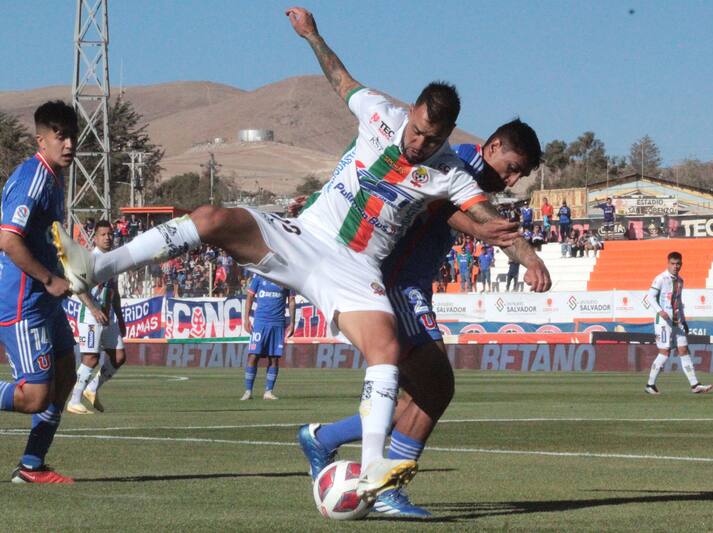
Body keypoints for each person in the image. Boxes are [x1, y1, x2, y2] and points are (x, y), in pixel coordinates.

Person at [53, 7, 551, 503]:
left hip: (356, 268)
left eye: (433, 139)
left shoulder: (450, 171)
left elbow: (485, 215)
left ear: (448, 137)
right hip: (303, 235)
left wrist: (527, 255)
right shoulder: (379, 111)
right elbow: (339, 78)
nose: (420, 143)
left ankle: (373, 465)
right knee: (211, 219)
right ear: (413, 111)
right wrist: (312, 34)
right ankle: (97, 265)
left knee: (385, 352)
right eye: (418, 130)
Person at [297, 119, 541, 517]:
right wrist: (509, 247)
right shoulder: (457, 161)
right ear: (493, 146)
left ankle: (322, 439)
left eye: (521, 175)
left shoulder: (471, 178)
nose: (512, 180)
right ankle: (387, 488)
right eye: (512, 167)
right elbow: (443, 207)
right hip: (396, 284)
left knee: (411, 400)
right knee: (438, 387)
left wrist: (521, 253)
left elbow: (475, 218)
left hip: (409, 283)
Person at [0, 101, 77, 483]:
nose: (68, 145)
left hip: (45, 300)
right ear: (41, 139)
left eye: (71, 136)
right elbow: (9, 241)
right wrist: (49, 279)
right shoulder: (33, 178)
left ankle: (31, 466)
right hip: (23, 301)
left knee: (66, 375)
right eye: (60, 136)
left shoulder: (55, 178)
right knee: (34, 397)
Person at [67, 220, 127, 414]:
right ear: (95, 238)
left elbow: (114, 291)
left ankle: (91, 389)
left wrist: (120, 316)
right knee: (91, 358)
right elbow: (79, 287)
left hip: (108, 316)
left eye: (110, 234)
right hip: (90, 316)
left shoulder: (114, 260)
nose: (108, 238)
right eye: (103, 234)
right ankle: (74, 400)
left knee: (118, 357)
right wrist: (93, 308)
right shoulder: (89, 260)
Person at [644, 252, 713, 395]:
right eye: (673, 264)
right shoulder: (661, 279)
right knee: (665, 352)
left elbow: (678, 302)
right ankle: (650, 385)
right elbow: (650, 297)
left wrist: (684, 320)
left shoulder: (680, 280)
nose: (676, 267)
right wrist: (660, 311)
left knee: (684, 349)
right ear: (668, 263)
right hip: (663, 322)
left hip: (677, 321)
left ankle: (695, 385)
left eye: (678, 264)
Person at [241, 273, 295, 401]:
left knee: (274, 358)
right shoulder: (259, 276)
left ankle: (268, 392)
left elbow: (291, 301)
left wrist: (292, 322)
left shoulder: (286, 277)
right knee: (253, 355)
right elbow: (249, 296)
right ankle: (248, 391)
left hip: (278, 323)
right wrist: (246, 319)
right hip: (260, 322)